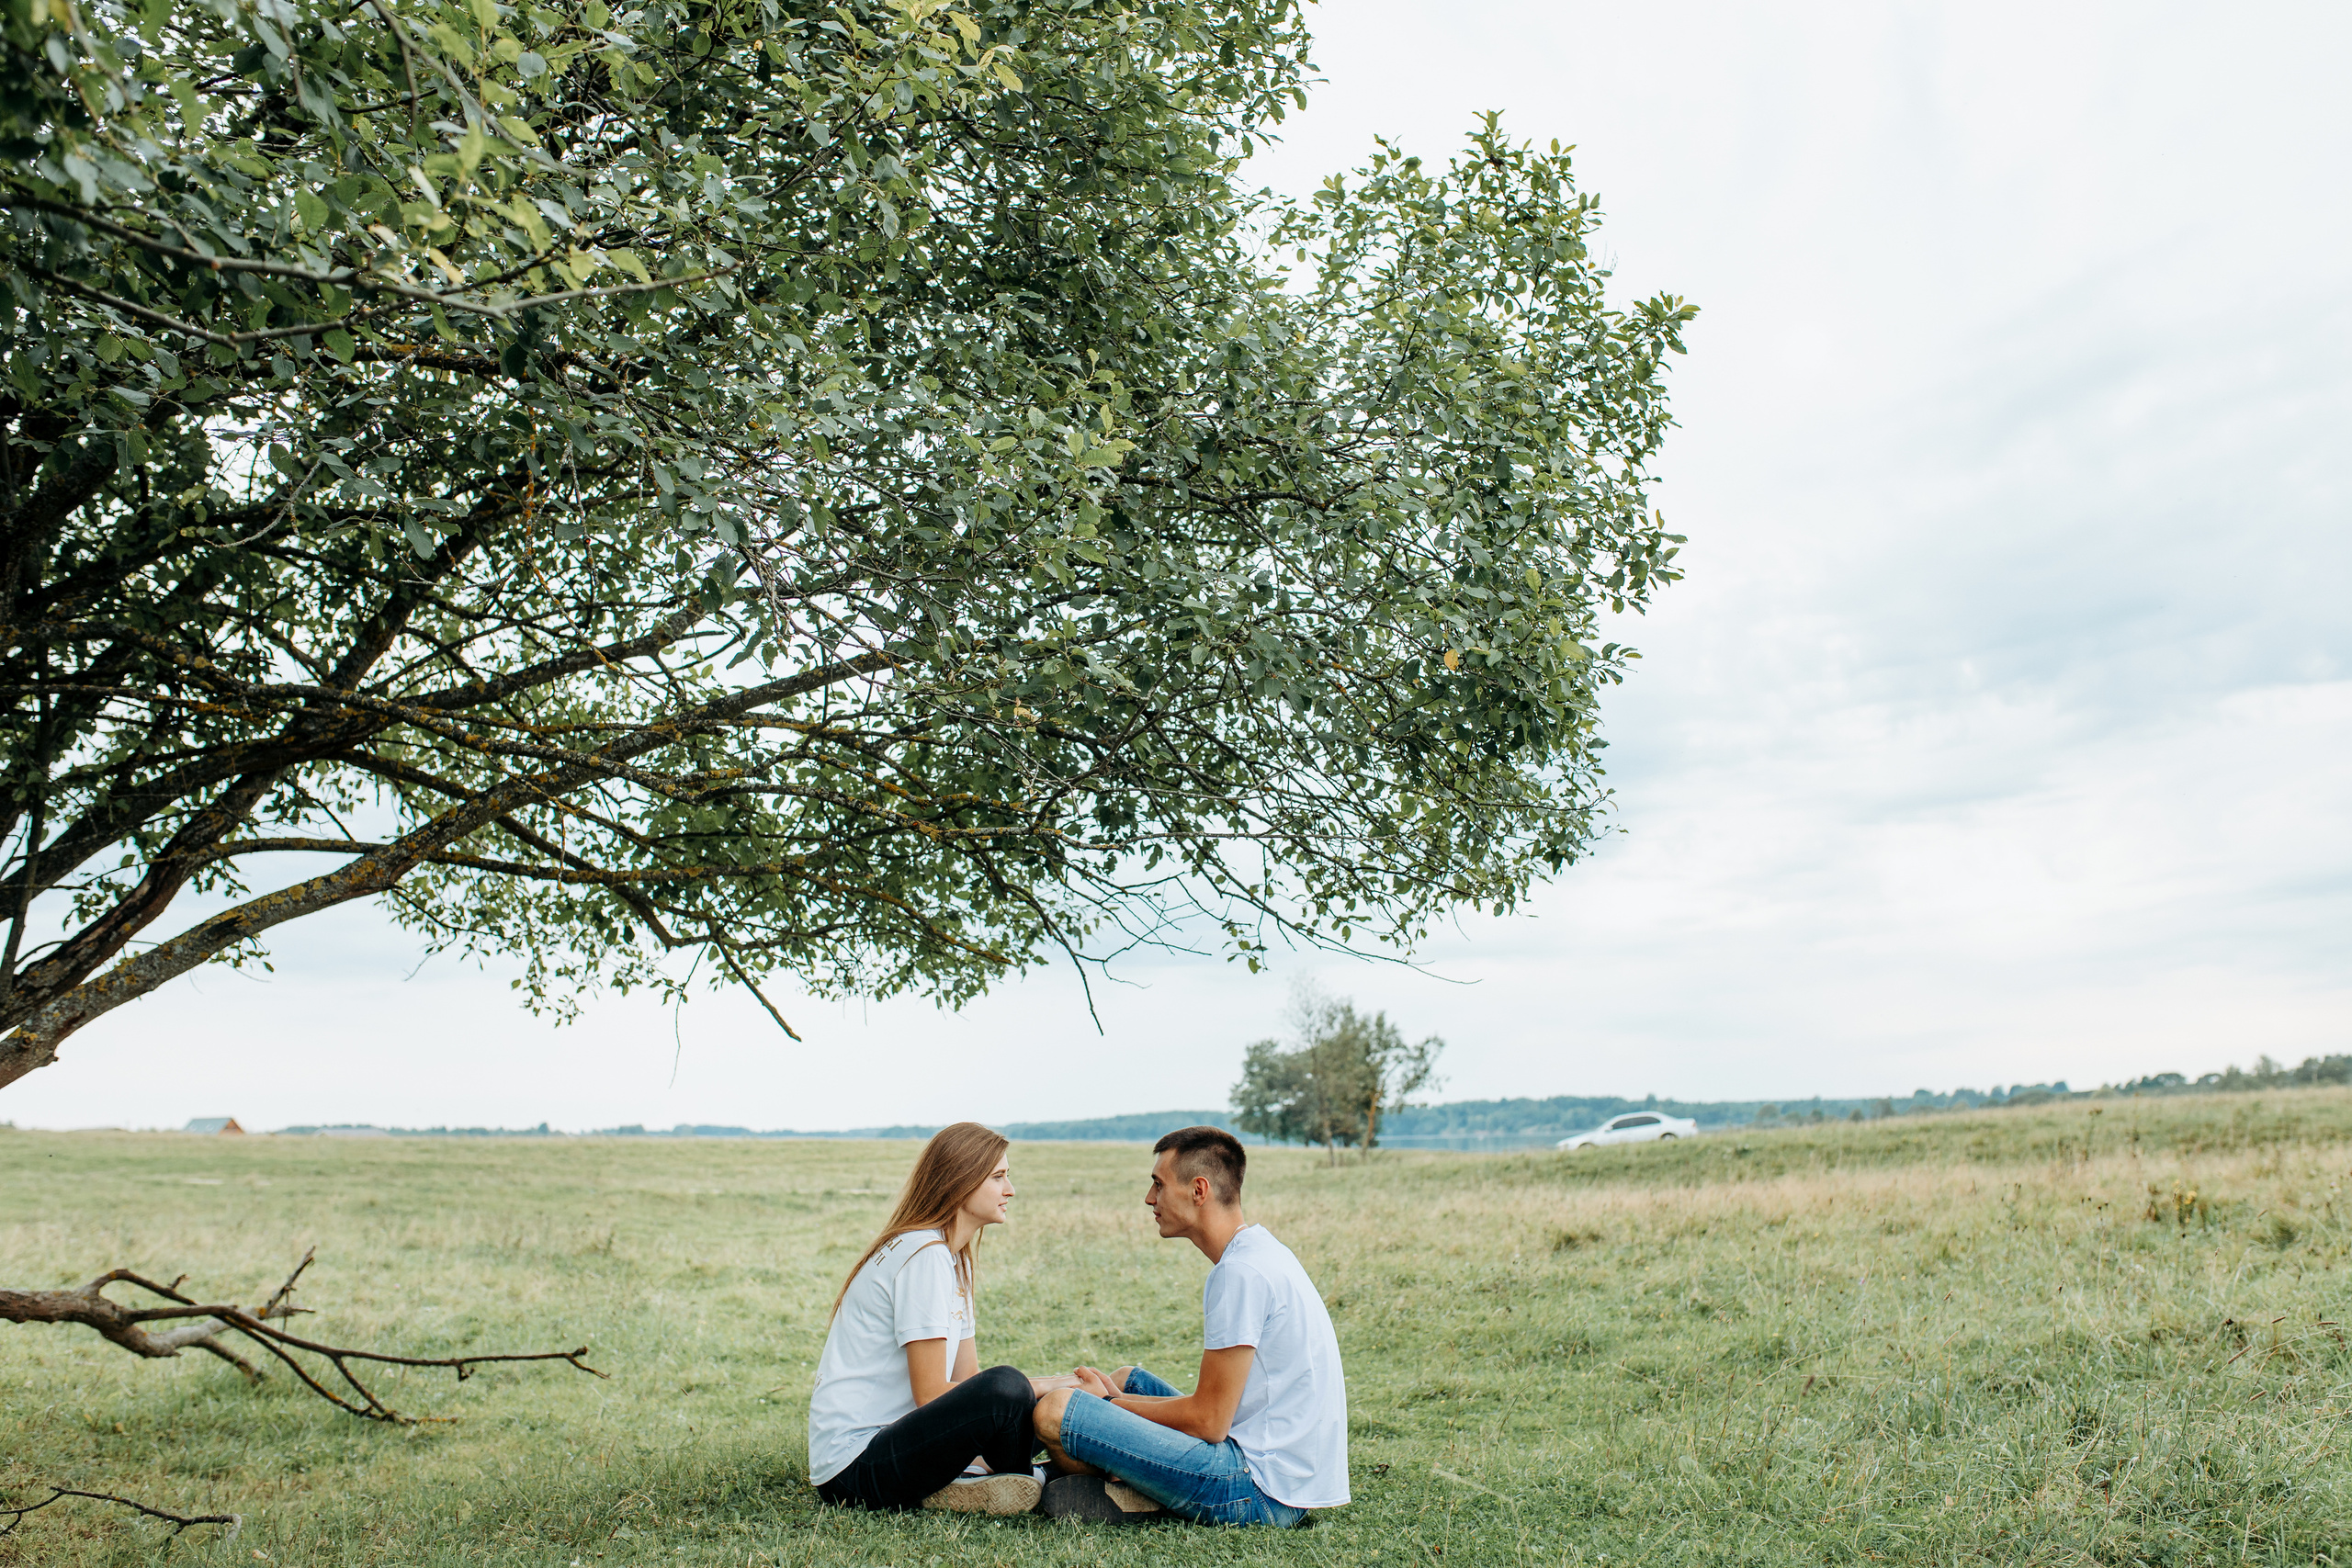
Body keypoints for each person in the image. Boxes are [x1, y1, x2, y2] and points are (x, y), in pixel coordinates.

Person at [1030, 1125, 1350, 1526]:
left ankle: (1095, 1482)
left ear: (1199, 1191)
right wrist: (1121, 1401)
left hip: (1261, 1492)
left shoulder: (1240, 1272)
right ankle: (1122, 1482)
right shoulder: (1262, 1250)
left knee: (1055, 1412)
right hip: (1282, 1475)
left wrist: (1108, 1407)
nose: (1149, 1199)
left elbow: (1209, 1422)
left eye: (1158, 1185)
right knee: (1129, 1379)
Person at [807, 1122, 1044, 1515]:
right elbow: (932, 1393)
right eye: (999, 1177)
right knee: (1007, 1387)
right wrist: (1044, 1387)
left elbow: (967, 1383)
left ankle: (995, 1474)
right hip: (856, 1467)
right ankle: (1018, 1477)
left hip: (894, 1443)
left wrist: (1065, 1386)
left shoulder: (950, 1258)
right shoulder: (924, 1253)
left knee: (1024, 1392)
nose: (1010, 1190)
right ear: (961, 1182)